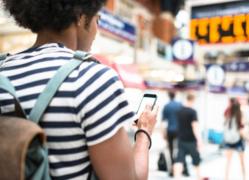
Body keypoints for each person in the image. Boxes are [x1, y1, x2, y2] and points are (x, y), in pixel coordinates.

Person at [0, 0, 158, 179]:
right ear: (81, 16)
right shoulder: (91, 78)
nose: (96, 32)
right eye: (97, 20)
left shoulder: (3, 71)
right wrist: (144, 133)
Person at [174, 93, 202, 180]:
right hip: (191, 140)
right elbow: (195, 127)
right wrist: (199, 140)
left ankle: (177, 177)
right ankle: (199, 177)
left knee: (179, 159)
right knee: (196, 159)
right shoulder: (193, 112)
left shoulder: (179, 111)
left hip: (181, 139)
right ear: (193, 100)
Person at [162, 91, 189, 176]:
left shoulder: (166, 106)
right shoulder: (180, 105)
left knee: (171, 150)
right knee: (181, 149)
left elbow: (163, 121)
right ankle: (184, 169)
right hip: (179, 131)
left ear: (169, 96)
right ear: (175, 95)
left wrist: (163, 133)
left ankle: (172, 171)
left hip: (170, 131)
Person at [223, 98, 246, 180]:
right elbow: (241, 129)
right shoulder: (240, 115)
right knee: (242, 162)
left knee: (228, 161)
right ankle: (244, 177)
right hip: (239, 140)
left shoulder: (227, 113)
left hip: (228, 140)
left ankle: (226, 177)